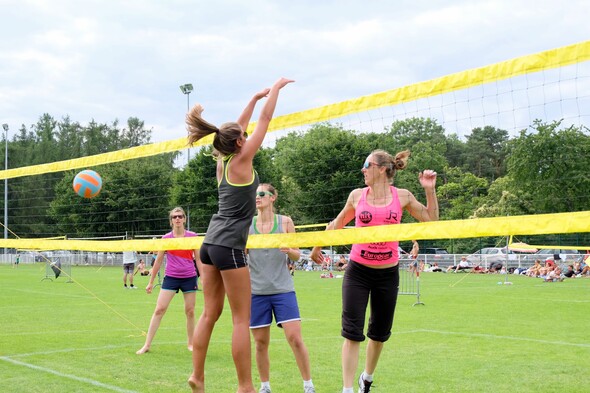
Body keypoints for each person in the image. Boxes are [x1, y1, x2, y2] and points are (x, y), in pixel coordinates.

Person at [187, 77, 294, 393]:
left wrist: (253, 97)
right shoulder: (242, 160)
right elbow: (263, 121)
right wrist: (274, 90)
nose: (247, 137)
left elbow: (240, 126)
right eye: (243, 137)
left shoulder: (225, 159)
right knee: (239, 320)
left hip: (208, 245)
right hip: (229, 247)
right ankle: (246, 386)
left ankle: (198, 376)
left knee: (210, 313)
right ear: (238, 143)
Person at [310, 149, 438, 393]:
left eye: (366, 165)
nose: (363, 169)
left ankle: (366, 379)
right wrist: (317, 248)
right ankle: (347, 389)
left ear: (381, 168)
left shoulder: (402, 196)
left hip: (387, 274)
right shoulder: (357, 196)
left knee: (379, 335)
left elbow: (432, 221)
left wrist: (429, 190)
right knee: (352, 333)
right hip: (358, 271)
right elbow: (336, 225)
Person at [248, 183, 315, 393]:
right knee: (260, 343)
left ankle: (308, 385)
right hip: (257, 292)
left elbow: (297, 255)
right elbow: (241, 255)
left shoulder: (285, 222)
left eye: (261, 194)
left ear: (273, 198)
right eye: (255, 194)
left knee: (295, 338)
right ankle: (265, 386)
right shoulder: (247, 225)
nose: (257, 197)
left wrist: (289, 251)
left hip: (283, 289)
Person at [136, 207, 201, 355]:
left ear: (184, 219)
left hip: (189, 277)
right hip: (171, 277)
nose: (177, 219)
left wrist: (203, 278)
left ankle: (191, 343)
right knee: (159, 309)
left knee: (190, 311)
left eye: (180, 216)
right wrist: (151, 282)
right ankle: (147, 345)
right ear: (171, 221)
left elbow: (199, 260)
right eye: (174, 217)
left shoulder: (193, 236)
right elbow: (158, 262)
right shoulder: (166, 239)